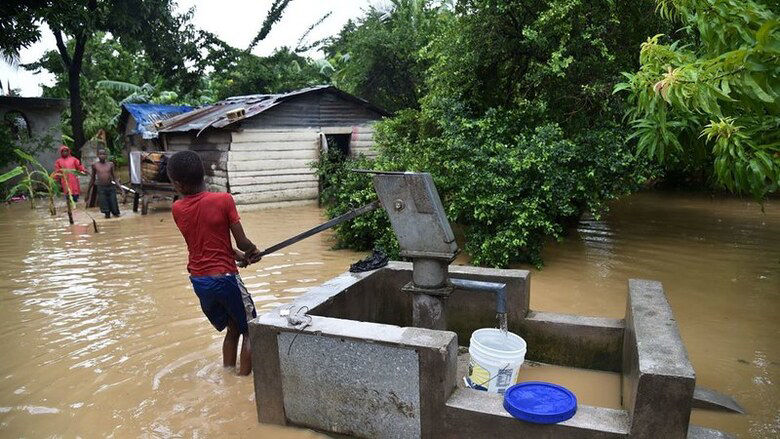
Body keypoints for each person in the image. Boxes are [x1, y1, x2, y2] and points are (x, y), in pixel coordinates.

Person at [167, 150, 262, 376]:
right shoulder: (223, 200)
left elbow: (208, 240)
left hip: (200, 281)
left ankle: (228, 375)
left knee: (233, 327)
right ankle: (241, 381)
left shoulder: (177, 209)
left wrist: (238, 255)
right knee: (250, 329)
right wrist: (252, 251)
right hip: (225, 278)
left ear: (178, 184)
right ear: (203, 175)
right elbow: (242, 240)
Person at [88, 149, 122, 218]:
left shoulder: (110, 164)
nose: (102, 156)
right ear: (98, 155)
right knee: (106, 211)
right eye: (100, 154)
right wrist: (88, 193)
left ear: (106, 156)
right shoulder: (95, 165)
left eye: (104, 154)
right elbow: (92, 179)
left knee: (115, 210)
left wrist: (121, 189)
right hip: (101, 188)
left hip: (111, 188)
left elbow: (115, 178)